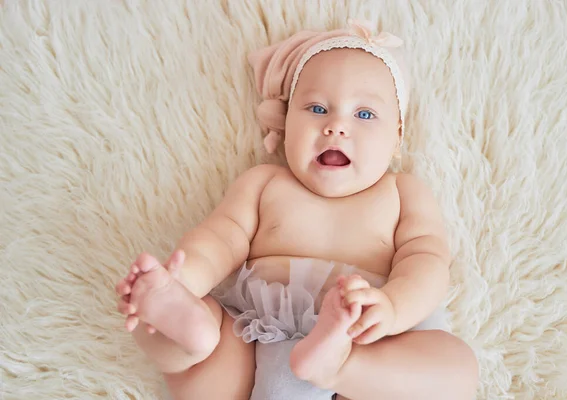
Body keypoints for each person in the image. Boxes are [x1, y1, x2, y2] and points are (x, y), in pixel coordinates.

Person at [115, 19, 478, 400]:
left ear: (397, 138)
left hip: (361, 338)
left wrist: (393, 307)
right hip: (255, 340)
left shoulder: (402, 193)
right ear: (286, 122)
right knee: (205, 345)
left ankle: (339, 366)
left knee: (456, 367)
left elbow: (427, 261)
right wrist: (186, 278)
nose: (336, 126)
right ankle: (185, 327)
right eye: (317, 108)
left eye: (365, 114)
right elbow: (220, 238)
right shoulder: (264, 183)